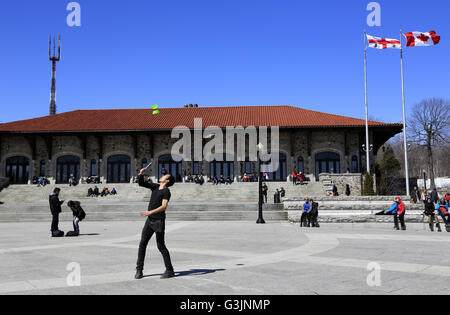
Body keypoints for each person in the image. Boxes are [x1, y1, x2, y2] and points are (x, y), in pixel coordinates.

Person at [135, 168, 175, 280]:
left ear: (167, 181)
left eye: (164, 176)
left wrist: (150, 212)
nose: (161, 176)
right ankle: (139, 270)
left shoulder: (166, 192)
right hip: (150, 221)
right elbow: (141, 183)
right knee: (142, 244)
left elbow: (163, 206)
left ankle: (170, 270)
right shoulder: (155, 187)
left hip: (158, 221)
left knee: (161, 246)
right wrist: (141, 174)